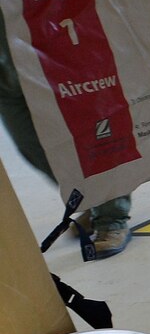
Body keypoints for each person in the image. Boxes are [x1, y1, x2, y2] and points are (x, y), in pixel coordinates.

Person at [0, 19, 134, 259]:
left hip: (46, 37)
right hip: (5, 66)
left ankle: (111, 216)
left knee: (89, 137)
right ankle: (90, 198)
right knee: (31, 144)